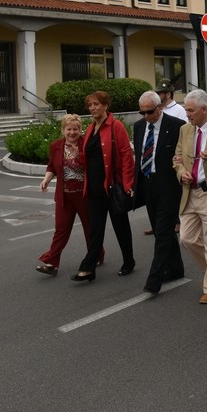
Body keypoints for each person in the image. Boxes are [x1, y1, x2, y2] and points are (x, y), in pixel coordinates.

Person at [71, 91, 135, 282]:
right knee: (95, 229)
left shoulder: (116, 127)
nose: (93, 108)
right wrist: (78, 154)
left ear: (106, 105)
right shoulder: (91, 128)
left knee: (121, 227)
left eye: (97, 104)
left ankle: (129, 261)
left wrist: (127, 183)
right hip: (93, 189)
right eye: (90, 105)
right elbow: (89, 158)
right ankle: (89, 268)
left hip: (111, 187)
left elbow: (126, 156)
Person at [36, 114, 103, 275]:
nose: (72, 132)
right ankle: (51, 262)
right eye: (69, 129)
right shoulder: (56, 146)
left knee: (90, 228)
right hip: (64, 196)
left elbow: (92, 168)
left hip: (84, 195)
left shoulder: (86, 145)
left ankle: (97, 255)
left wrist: (78, 155)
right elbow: (52, 166)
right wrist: (46, 180)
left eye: (75, 129)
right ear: (63, 130)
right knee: (61, 230)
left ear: (80, 130)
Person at [132, 91, 185, 295]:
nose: (145, 116)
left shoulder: (176, 126)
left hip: (169, 186)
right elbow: (138, 158)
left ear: (159, 107)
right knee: (160, 228)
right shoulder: (138, 127)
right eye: (142, 112)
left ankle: (154, 279)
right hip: (147, 183)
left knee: (162, 231)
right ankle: (176, 268)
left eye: (149, 112)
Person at [174, 89, 207, 304]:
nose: (187, 114)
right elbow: (176, 158)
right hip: (189, 192)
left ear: (204, 109)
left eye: (191, 110)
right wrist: (180, 172)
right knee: (187, 238)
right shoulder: (185, 130)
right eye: (186, 110)